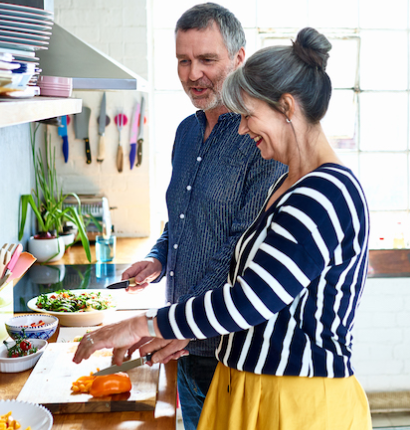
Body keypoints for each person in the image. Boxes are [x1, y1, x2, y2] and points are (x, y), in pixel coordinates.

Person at [76, 27, 372, 430]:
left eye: (249, 115)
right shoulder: (291, 181)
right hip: (251, 385)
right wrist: (181, 329)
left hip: (294, 400)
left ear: (287, 107)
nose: (242, 129)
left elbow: (250, 299)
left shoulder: (326, 194)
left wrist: (139, 324)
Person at [115, 4, 286, 430]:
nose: (193, 74)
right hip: (182, 347)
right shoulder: (186, 132)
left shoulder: (260, 141)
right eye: (183, 61)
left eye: (207, 60)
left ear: (238, 59)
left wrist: (175, 325)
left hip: (231, 355)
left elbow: (240, 253)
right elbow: (181, 219)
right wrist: (157, 258)